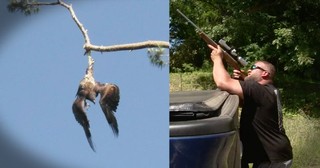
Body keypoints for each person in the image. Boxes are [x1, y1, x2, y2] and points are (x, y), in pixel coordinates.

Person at [208, 44, 293, 168]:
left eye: (254, 67)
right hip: (270, 154)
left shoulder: (259, 89)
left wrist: (217, 59)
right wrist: (242, 81)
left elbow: (222, 82)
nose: (249, 70)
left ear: (265, 74)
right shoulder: (269, 90)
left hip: (273, 158)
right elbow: (243, 103)